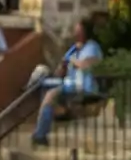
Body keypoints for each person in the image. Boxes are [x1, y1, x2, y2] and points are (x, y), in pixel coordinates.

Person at [28, 18, 104, 146]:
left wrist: (72, 61)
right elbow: (61, 70)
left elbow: (86, 65)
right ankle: (59, 113)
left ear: (86, 32)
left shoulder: (92, 47)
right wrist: (62, 67)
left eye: (78, 30)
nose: (75, 33)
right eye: (75, 30)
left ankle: (41, 134)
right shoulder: (74, 48)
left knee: (51, 95)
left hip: (84, 86)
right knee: (42, 84)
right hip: (69, 83)